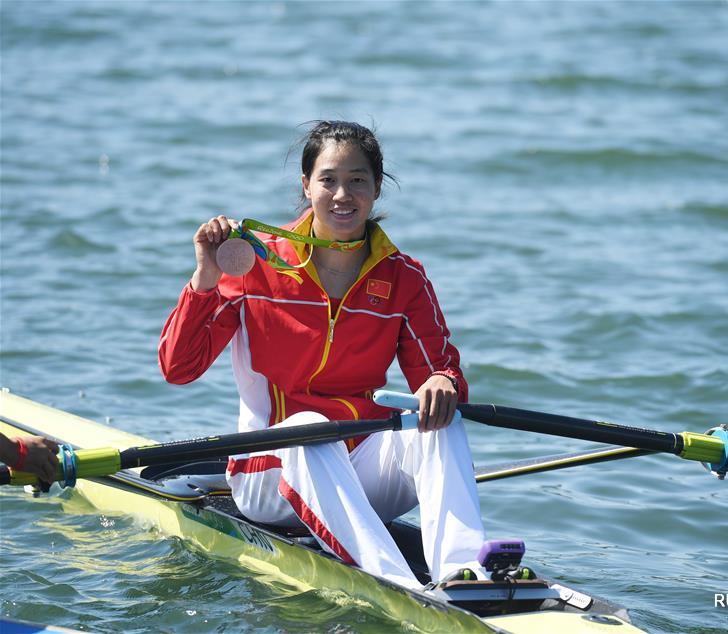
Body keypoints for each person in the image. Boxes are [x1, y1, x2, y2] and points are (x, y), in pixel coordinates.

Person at [159, 120, 487, 589]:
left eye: (357, 180)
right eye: (328, 179)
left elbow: (438, 369)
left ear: (376, 189)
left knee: (440, 421)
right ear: (306, 186)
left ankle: (463, 572)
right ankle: (399, 586)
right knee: (311, 429)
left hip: (363, 469)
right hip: (266, 474)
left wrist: (444, 383)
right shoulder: (255, 265)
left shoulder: (404, 278)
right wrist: (205, 279)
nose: (342, 194)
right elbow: (178, 367)